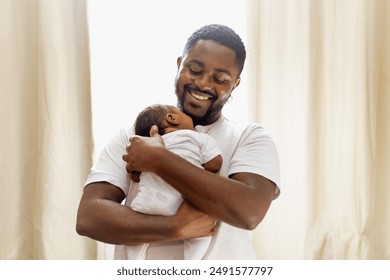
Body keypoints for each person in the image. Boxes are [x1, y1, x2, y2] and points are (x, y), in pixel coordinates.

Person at [76, 24, 281, 259]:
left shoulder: (250, 137)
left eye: (220, 78)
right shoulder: (134, 133)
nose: (204, 84)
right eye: (194, 69)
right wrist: (174, 228)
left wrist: (158, 160)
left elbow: (248, 212)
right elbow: (88, 218)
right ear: (178, 65)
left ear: (235, 84)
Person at [127, 104, 222, 260]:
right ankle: (191, 264)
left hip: (147, 203)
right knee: (200, 236)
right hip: (182, 204)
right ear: (172, 118)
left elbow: (135, 175)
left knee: (134, 237)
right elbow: (215, 164)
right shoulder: (196, 137)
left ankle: (134, 262)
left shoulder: (146, 147)